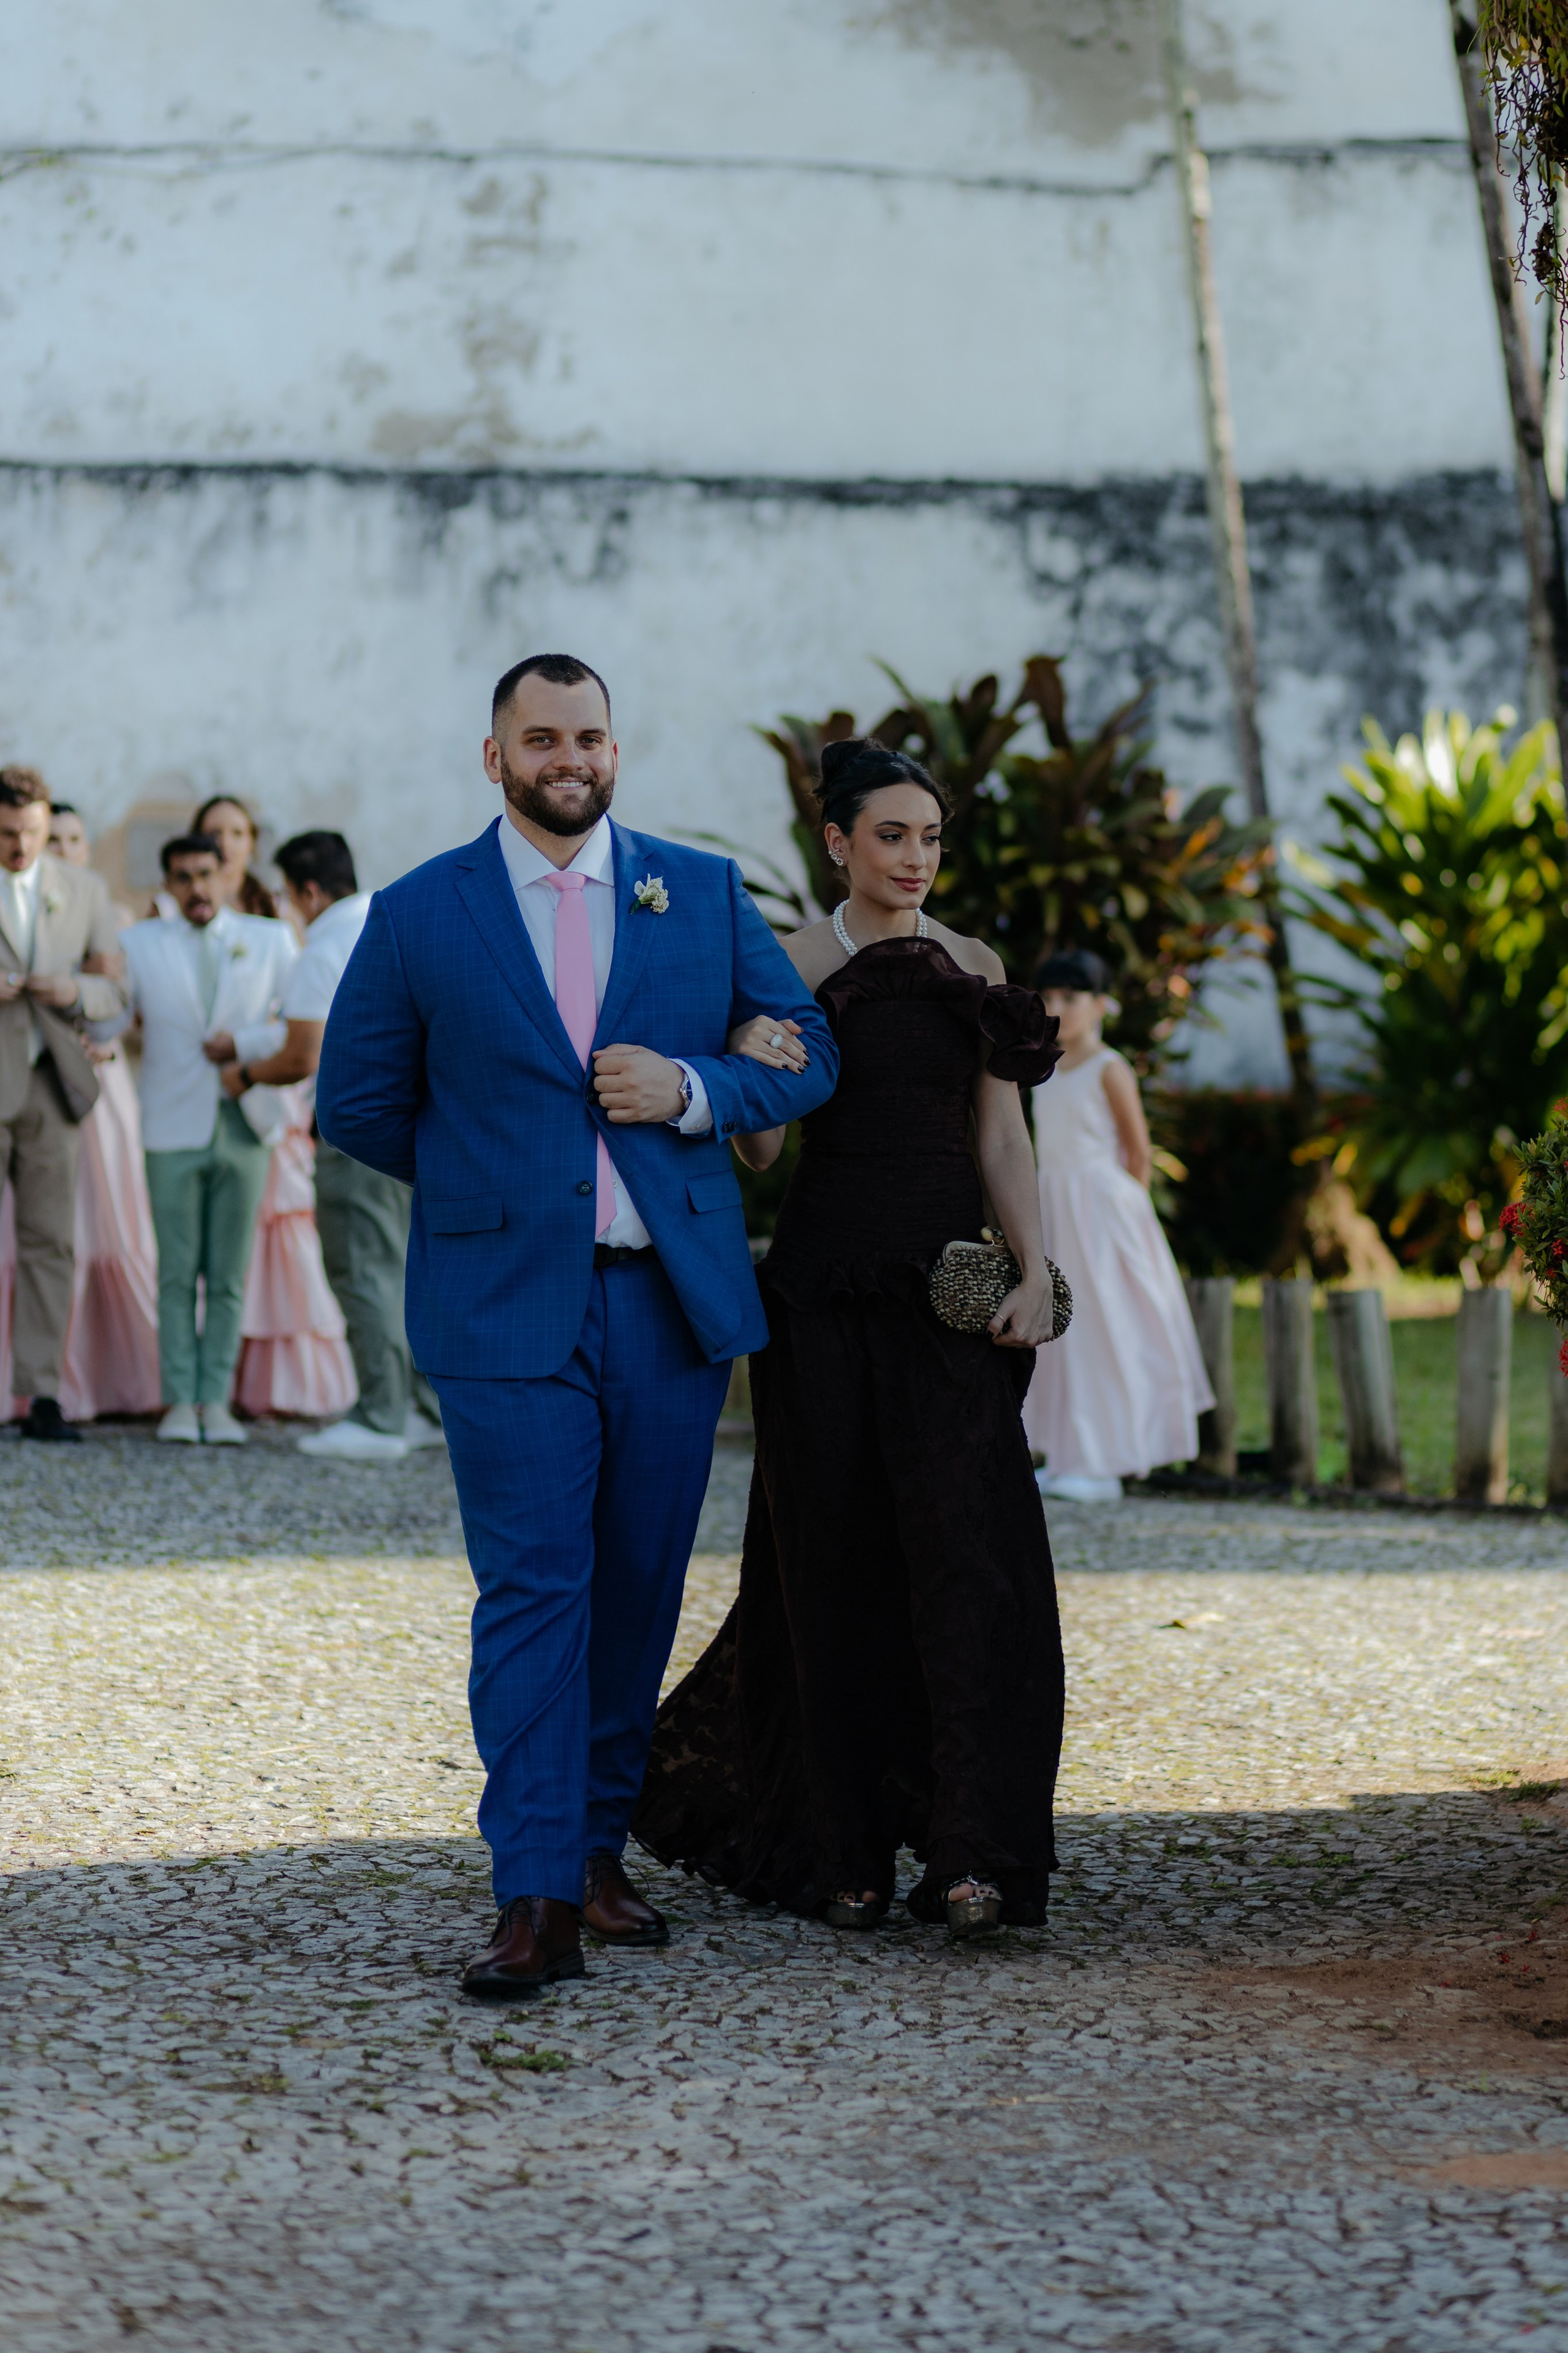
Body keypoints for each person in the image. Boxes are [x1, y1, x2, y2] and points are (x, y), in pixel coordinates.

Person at [317, 652, 838, 1995]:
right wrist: (498, 1186)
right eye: (540, 737)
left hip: (666, 1304)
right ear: (493, 755)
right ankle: (533, 1890)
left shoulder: (699, 890)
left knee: (635, 1587)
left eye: (589, 736)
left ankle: (598, 1848)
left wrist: (689, 1089)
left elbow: (804, 1046)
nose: (569, 758)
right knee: (535, 1590)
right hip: (504, 1309)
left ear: (616, 749)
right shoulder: (422, 911)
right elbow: (361, 1102)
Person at [633, 738, 1065, 1941]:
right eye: (891, 836)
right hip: (818, 1298)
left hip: (944, 1300)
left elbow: (1001, 1142)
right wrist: (748, 1065)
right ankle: (847, 1854)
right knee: (826, 1565)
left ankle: (974, 1856)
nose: (914, 858)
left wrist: (1031, 1269)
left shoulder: (974, 966)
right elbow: (760, 1150)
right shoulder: (786, 965)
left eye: (929, 838)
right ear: (837, 842)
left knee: (968, 1563)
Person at [223, 828, 443, 1459]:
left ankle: (379, 1416)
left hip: (357, 1133)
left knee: (361, 1269)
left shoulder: (323, 948)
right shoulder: (396, 919)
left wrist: (240, 1074)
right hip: (418, 1126)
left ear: (309, 891)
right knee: (405, 1269)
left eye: (291, 896)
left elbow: (303, 1052)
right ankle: (422, 1408)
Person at [120, 834, 297, 1443]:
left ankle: (216, 1401)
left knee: (228, 1273)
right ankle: (177, 1402)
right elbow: (114, 1017)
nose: (196, 887)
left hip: (247, 1122)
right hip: (170, 1125)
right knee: (175, 1272)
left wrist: (242, 1047)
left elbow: (299, 1020)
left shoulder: (271, 939)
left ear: (225, 875)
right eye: (182, 877)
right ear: (168, 884)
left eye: (205, 874)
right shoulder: (138, 945)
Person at [1021, 948, 1215, 1501]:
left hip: (1102, 1213)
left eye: (1071, 998)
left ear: (1101, 1003)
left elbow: (1137, 1152)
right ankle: (1066, 1452)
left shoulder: (1111, 1068)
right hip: (1053, 1206)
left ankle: (1104, 1460)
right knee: (1060, 1328)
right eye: (1050, 998)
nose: (1058, 1007)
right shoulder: (1045, 1066)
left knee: (1106, 1325)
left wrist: (1126, 1218)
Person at [0, 768, 129, 1441]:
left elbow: (116, 992)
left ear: (48, 826)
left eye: (30, 832)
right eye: (6, 832)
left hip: (53, 1085)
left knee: (51, 1243)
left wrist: (70, 991)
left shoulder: (84, 890)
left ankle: (42, 1393)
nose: (19, 845)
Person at [33, 804, 161, 1419]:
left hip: (99, 1091)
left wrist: (96, 1030)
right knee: (43, 1233)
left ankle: (120, 1380)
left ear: (87, 847)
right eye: (51, 838)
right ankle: (40, 1381)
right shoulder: (21, 909)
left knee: (110, 1228)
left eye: (72, 838)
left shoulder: (111, 915)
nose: (62, 847)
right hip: (32, 1085)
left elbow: (122, 1001)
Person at [193, 796, 280, 920]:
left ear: (252, 842)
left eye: (237, 833)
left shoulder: (277, 909)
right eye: (214, 833)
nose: (225, 844)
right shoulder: (171, 910)